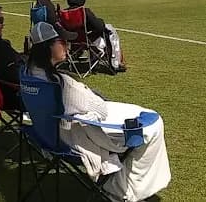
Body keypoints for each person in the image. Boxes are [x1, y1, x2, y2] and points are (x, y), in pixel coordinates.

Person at [26, 22, 170, 201]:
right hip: (73, 137)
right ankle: (126, 189)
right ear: (48, 47)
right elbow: (100, 108)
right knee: (153, 124)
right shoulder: (62, 85)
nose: (67, 46)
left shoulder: (28, 74)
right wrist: (89, 95)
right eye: (62, 42)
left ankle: (123, 183)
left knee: (139, 113)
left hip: (49, 133)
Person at [66, 0, 127, 72]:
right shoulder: (84, 11)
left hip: (72, 41)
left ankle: (82, 56)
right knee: (109, 30)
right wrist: (100, 21)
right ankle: (115, 63)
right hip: (87, 40)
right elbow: (99, 27)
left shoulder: (64, 13)